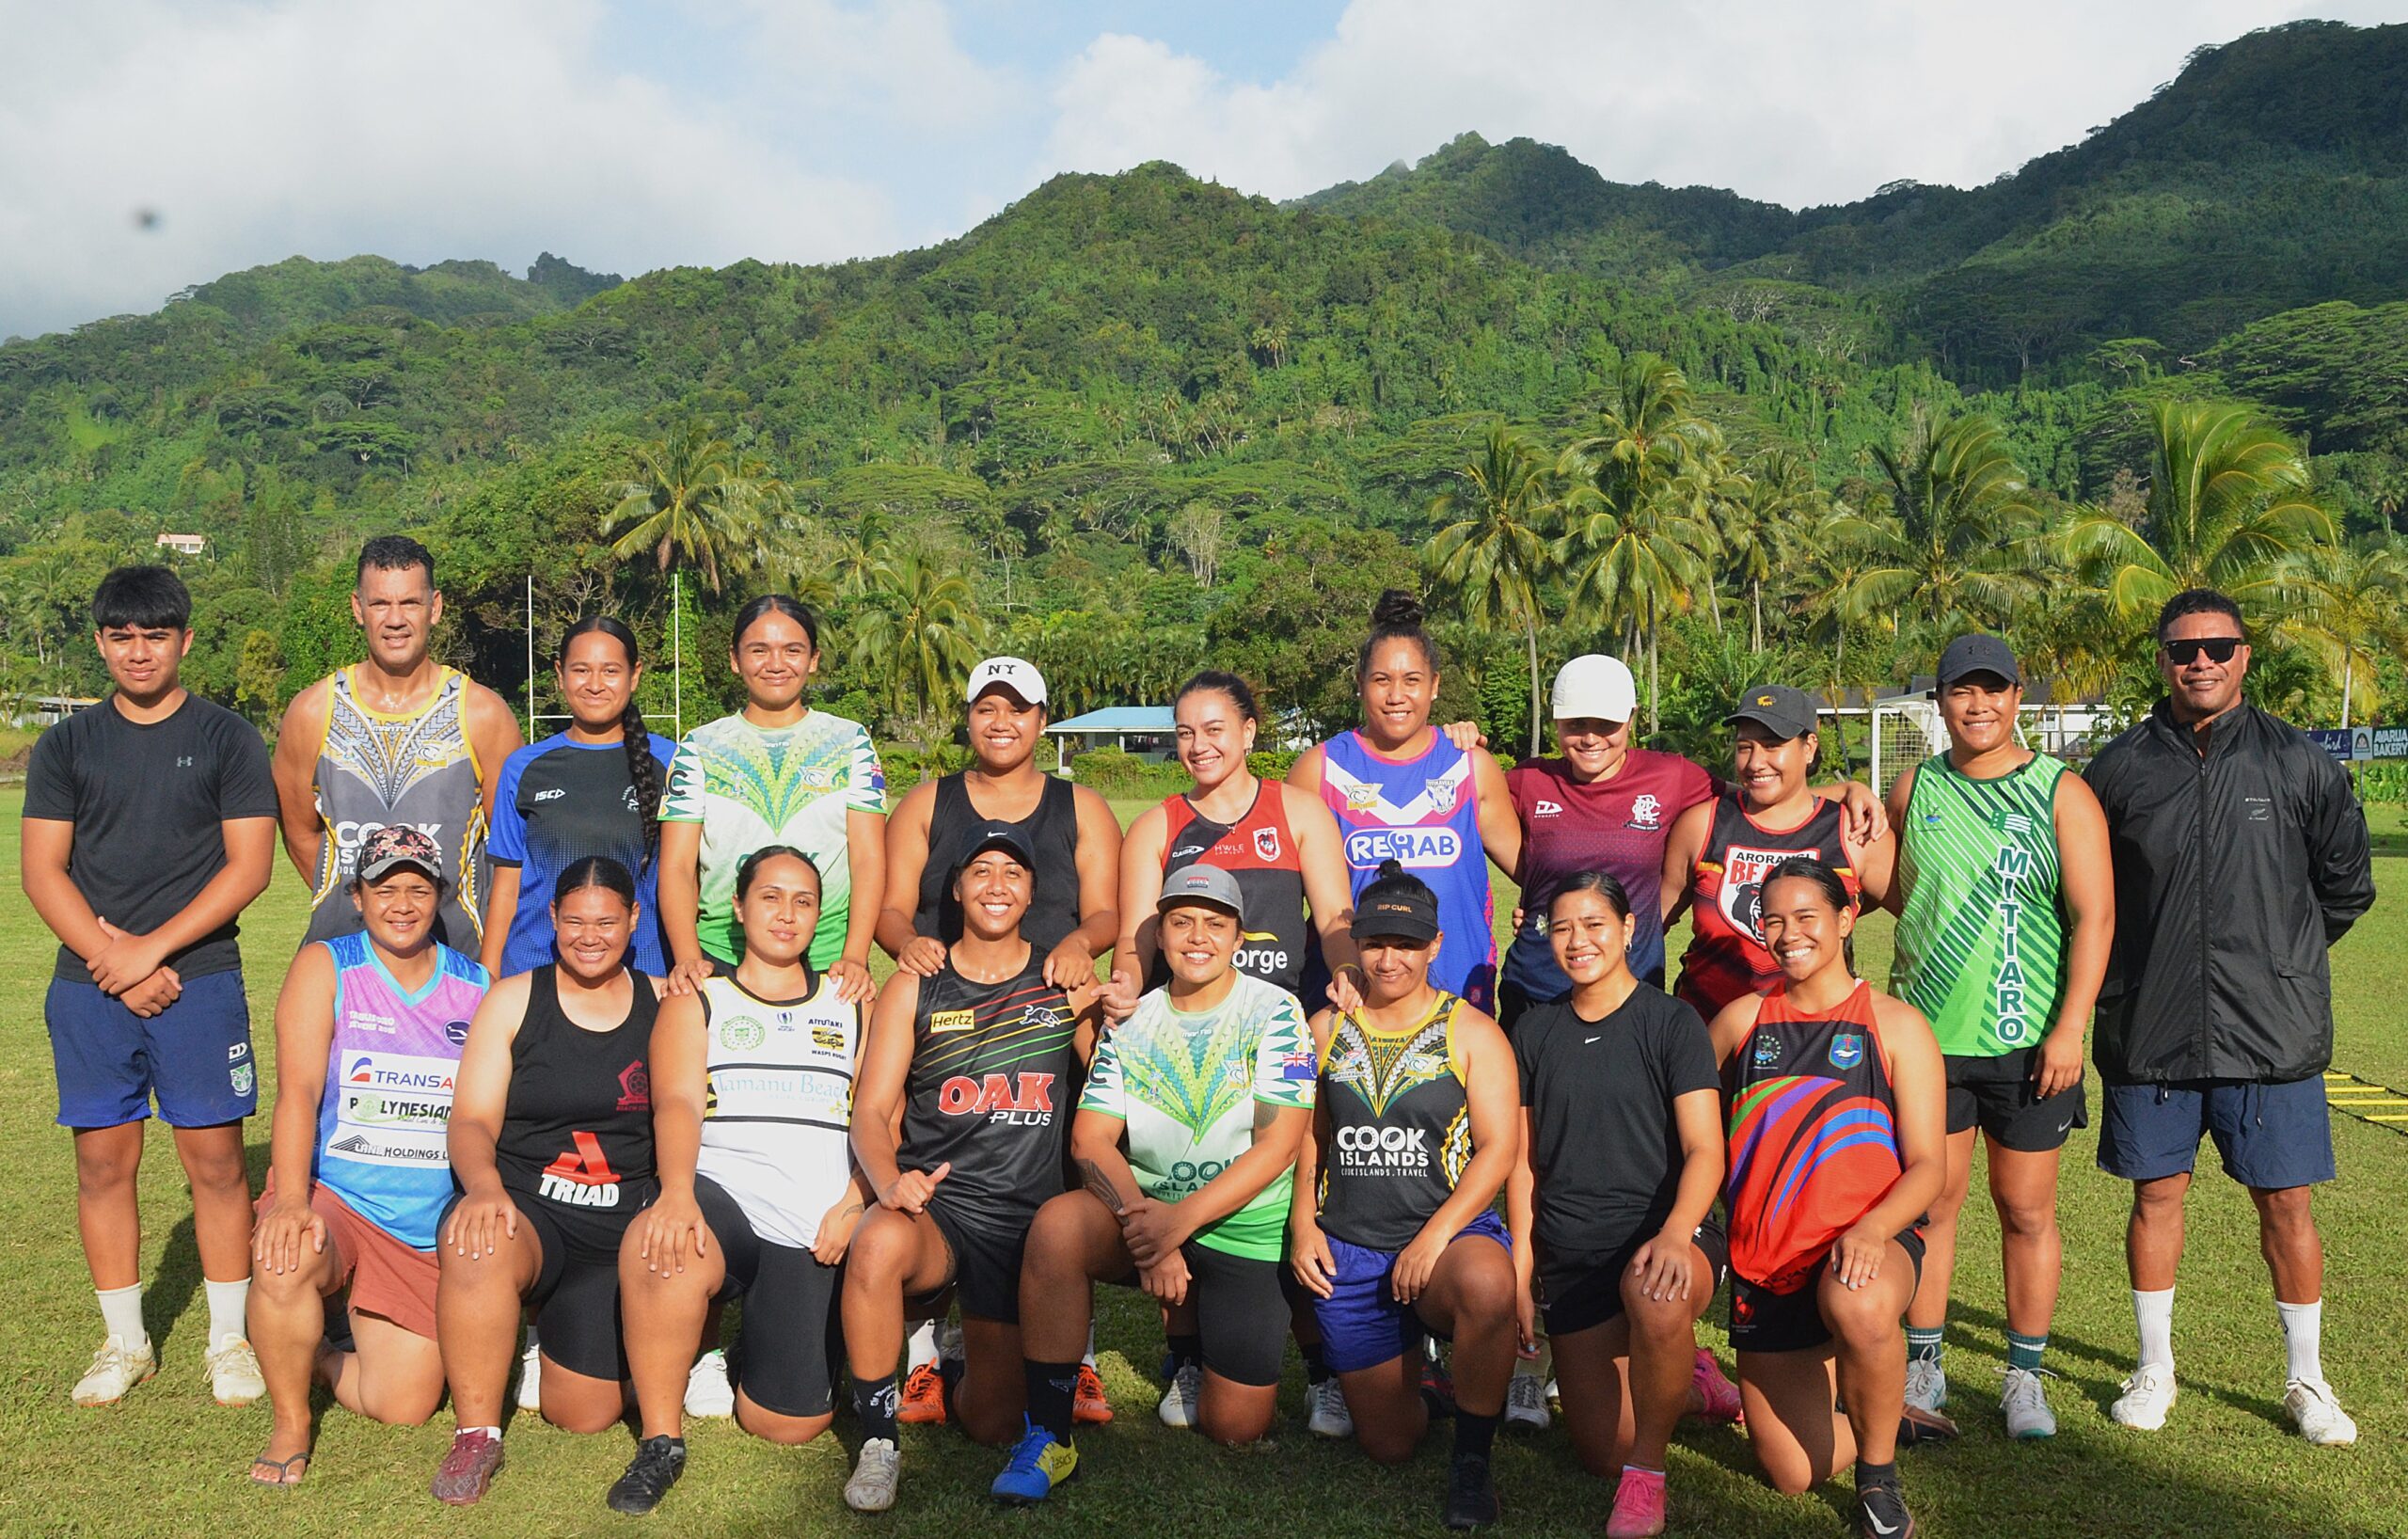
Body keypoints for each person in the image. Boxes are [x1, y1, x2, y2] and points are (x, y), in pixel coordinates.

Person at [2082, 589, 2375, 1446]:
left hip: (2270, 1035)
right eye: (2183, 649)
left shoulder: (2300, 763)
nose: (2199, 661)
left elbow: (2346, 886)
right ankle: (2155, 1368)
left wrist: (2280, 960)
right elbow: (2088, 893)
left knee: (2286, 1205)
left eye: (2217, 645)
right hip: (2150, 1029)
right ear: (2161, 659)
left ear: (2245, 655)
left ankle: (2307, 1380)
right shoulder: (2120, 768)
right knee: (2156, 1197)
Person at [22, 565, 278, 1409]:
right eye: (123, 636)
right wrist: (112, 961)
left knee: (214, 1161)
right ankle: (124, 1342)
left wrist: (152, 952)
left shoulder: (229, 738)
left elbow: (249, 867)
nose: (139, 651)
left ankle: (229, 1340)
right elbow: (43, 872)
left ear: (185, 640)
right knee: (102, 1162)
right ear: (100, 641)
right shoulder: (66, 745)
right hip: (91, 989)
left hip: (198, 980)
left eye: (156, 635)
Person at [992, 865, 1316, 1504]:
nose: (1198, 937)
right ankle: (1050, 1435)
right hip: (1146, 1218)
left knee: (1235, 1428)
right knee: (1058, 1226)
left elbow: (1280, 1145)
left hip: (1241, 1226)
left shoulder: (1275, 1009)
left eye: (1215, 924)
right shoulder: (1132, 1019)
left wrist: (1179, 1223)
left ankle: (1190, 1351)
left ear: (1239, 938)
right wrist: (1156, 1232)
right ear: (1160, 935)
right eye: (1181, 922)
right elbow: (1089, 1142)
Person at [1115, 670, 1366, 1436]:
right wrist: (1123, 987)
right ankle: (1185, 1353)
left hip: (1274, 1030)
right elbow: (1135, 940)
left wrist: (1348, 969)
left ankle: (1322, 1364)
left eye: (1215, 728)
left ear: (1251, 732)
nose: (1200, 746)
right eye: (1186, 731)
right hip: (1187, 1034)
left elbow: (1332, 917)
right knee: (1180, 1173)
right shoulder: (1157, 824)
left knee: (1292, 1189)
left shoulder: (1295, 811)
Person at [876, 656, 1120, 1426]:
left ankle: (1073, 1356)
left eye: (1018, 709)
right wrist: (908, 946)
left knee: (1055, 1169)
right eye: (987, 707)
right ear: (969, 717)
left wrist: (1081, 942)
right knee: (931, 1156)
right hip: (953, 1007)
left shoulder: (1080, 805)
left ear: (1042, 721)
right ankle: (922, 1350)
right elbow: (890, 908)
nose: (1002, 721)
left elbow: (1108, 909)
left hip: (1049, 1012)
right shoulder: (927, 802)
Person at [1882, 635, 2113, 1438]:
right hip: (1925, 1041)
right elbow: (1888, 887)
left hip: (2028, 1042)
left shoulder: (2062, 792)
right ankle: (1925, 1361)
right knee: (1932, 1204)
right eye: (1959, 692)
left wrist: (2069, 1028)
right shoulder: (1916, 786)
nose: (1975, 706)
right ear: (1938, 702)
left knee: (2025, 1209)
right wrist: (1847, 800)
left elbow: (2095, 916)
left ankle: (2025, 1375)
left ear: (2019, 698)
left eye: (1992, 691)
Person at [605, 846, 874, 1515]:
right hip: (720, 1202)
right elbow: (676, 1102)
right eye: (770, 897)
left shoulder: (853, 1001)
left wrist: (854, 1200)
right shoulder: (700, 995)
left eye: (803, 901)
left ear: (821, 914)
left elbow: (880, 1113)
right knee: (657, 1241)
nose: (786, 914)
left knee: (788, 1422)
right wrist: (673, 1196)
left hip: (810, 1225)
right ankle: (661, 1443)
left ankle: (743, 1344)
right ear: (737, 906)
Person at [842, 824, 1102, 1513]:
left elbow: (1111, 1085)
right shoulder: (915, 986)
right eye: (980, 871)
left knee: (990, 1423)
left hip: (1026, 1221)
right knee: (877, 1239)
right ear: (955, 890)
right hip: (942, 1210)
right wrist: (888, 1181)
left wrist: (1116, 1007)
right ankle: (878, 1442)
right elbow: (871, 1112)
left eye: (1012, 874)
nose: (996, 885)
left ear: (1032, 893)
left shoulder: (1063, 981)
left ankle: (948, 1357)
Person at [1707, 857, 1951, 1539]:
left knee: (1858, 1298)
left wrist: (1874, 1231)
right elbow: (1690, 1132)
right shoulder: (1741, 1022)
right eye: (1774, 920)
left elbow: (1929, 1166)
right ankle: (1882, 1412)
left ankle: (1878, 1477)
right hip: (1766, 1262)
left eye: (1806, 917)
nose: (1788, 934)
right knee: (1792, 1473)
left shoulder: (1896, 1026)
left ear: (1845, 921)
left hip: (1866, 1244)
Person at [244, 825, 490, 1485]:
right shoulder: (326, 965)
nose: (402, 903)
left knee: (403, 1405)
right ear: (357, 895)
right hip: (339, 1199)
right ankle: (291, 1422)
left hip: (419, 1227)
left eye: (418, 888)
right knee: (287, 1252)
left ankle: (320, 1350)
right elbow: (297, 1093)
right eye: (386, 888)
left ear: (440, 896)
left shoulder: (476, 985)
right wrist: (291, 1201)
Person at [1290, 861, 1520, 1531]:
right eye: (1375, 944)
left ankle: (1473, 1462)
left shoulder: (1472, 1031)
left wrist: (1435, 1236)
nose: (1390, 960)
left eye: (1408, 945)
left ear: (1436, 946)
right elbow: (1311, 1136)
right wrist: (1305, 1223)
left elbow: (1499, 1149)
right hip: (1352, 1246)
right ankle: (1426, 1381)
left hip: (1443, 1240)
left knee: (1487, 1286)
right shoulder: (1327, 1028)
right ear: (1355, 944)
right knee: (1390, 1446)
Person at [430, 857, 664, 1506]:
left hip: (615, 1228)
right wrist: (482, 1187)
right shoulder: (512, 999)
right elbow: (472, 1119)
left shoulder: (663, 1000)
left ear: (634, 920)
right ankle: (477, 1432)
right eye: (575, 921)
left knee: (583, 1413)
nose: (590, 936)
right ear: (554, 920)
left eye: (607, 921)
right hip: (527, 1212)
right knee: (475, 1240)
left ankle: (538, 1333)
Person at [1505, 872, 1732, 1538]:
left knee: (1656, 1295)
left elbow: (1705, 1152)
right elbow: (1523, 1165)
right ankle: (1691, 1386)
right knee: (1601, 1452)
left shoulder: (1671, 1022)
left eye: (1594, 924)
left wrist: (1675, 1235)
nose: (1578, 941)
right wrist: (1523, 1275)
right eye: (1563, 928)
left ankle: (1649, 1477)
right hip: (1575, 1254)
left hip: (1666, 1238)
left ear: (1630, 929)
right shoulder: (1535, 1032)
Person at [1501, 655, 1885, 1024]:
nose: (1590, 737)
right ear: (1556, 722)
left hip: (1632, 997)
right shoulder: (1527, 780)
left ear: (1631, 720)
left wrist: (1846, 789)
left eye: (1605, 723)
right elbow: (1470, 809)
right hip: (1539, 986)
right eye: (1575, 723)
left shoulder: (1671, 776)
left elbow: (1760, 791)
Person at [273, 534, 522, 951]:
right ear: (358, 608)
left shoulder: (482, 714)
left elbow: (510, 854)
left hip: (455, 963)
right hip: (344, 962)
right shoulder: (314, 712)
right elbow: (300, 834)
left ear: (434, 608)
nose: (395, 619)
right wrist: (354, 899)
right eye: (380, 604)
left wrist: (491, 967)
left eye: (410, 603)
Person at [1291, 590, 1521, 1013]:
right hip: (1352, 996)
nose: (1397, 695)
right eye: (1382, 680)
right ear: (1360, 684)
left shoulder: (1470, 766)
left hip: (1458, 990)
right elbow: (1282, 893)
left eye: (1412, 680)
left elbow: (1534, 872)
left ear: (1434, 686)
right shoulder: (1319, 769)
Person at [658, 594, 884, 1000]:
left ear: (813, 658)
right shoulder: (699, 746)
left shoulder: (851, 742)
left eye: (792, 650)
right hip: (721, 957)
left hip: (826, 962)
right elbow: (677, 865)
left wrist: (853, 955)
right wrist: (688, 957)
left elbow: (867, 858)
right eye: (759, 650)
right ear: (735, 659)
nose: (776, 664)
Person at [1663, 684, 1893, 1022]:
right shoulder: (1702, 824)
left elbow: (1920, 922)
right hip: (1708, 1034)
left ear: (1809, 747)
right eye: (1745, 747)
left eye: (1773, 746)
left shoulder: (1854, 831)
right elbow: (1651, 928)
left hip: (1816, 1039)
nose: (1757, 762)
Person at [483, 616, 677, 979]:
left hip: (642, 976)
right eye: (581, 670)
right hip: (534, 972)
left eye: (610, 671)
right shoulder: (523, 767)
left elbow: (681, 877)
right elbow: (507, 885)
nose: (595, 685)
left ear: (634, 675)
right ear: (560, 674)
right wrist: (490, 974)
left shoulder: (671, 764)